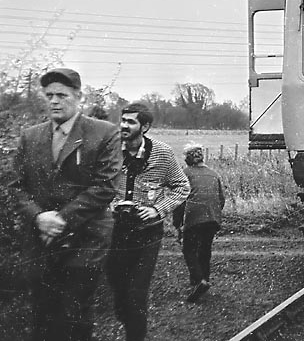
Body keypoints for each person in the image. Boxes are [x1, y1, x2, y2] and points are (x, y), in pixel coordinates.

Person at [11, 68, 122, 341]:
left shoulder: (104, 133)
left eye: (61, 95)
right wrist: (38, 218)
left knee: (76, 317)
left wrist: (59, 220)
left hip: (85, 240)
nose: (54, 101)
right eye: (49, 95)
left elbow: (105, 186)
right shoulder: (31, 136)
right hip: (41, 242)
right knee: (41, 315)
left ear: (78, 96)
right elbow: (15, 187)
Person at [106, 103, 190, 341]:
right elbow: (98, 184)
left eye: (131, 122)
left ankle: (135, 335)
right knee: (116, 283)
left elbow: (181, 186)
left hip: (147, 233)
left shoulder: (161, 153)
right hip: (115, 230)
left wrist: (157, 210)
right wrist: (111, 204)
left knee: (137, 293)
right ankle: (126, 314)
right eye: (122, 120)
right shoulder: (110, 149)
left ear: (145, 127)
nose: (123, 125)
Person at [173, 143, 226, 303]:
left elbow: (180, 200)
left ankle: (198, 280)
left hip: (194, 217)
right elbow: (221, 199)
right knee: (205, 249)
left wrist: (178, 224)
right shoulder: (214, 174)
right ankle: (204, 280)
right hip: (212, 217)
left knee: (189, 249)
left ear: (188, 159)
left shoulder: (185, 173)